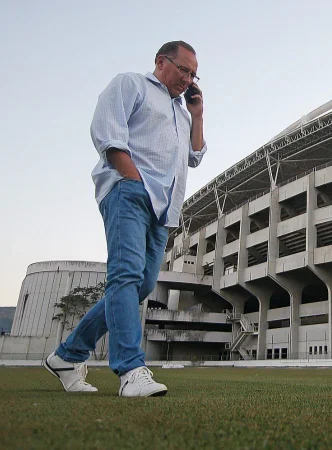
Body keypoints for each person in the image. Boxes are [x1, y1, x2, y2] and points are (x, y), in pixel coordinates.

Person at [44, 41, 207, 397]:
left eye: (194, 74)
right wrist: (132, 180)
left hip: (165, 210)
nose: (188, 78)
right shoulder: (130, 84)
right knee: (126, 276)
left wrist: (196, 114)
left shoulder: (182, 111)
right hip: (129, 192)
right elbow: (106, 131)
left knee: (142, 285)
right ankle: (131, 370)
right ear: (161, 61)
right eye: (184, 69)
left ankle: (67, 355)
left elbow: (195, 156)